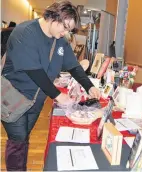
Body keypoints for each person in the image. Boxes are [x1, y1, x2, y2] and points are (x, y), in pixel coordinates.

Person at [1, 1, 100, 171]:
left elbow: (73, 66)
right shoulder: (25, 32)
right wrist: (58, 95)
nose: (66, 32)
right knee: (17, 139)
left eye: (69, 29)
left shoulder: (59, 40)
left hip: (36, 99)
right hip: (13, 96)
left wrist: (89, 86)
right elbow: (34, 71)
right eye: (65, 27)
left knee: (23, 138)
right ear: (53, 17)